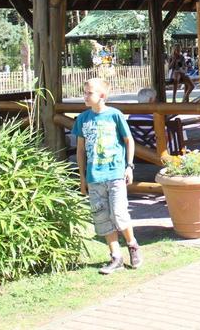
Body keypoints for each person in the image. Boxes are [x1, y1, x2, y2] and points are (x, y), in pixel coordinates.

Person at [74, 78, 142, 275]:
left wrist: (129, 166)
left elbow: (128, 140)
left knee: (119, 214)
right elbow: (80, 150)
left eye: (89, 93)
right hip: (94, 176)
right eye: (84, 92)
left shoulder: (115, 115)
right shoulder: (83, 119)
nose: (85, 96)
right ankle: (116, 256)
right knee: (101, 217)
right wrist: (82, 177)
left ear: (102, 96)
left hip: (115, 174)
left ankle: (132, 245)